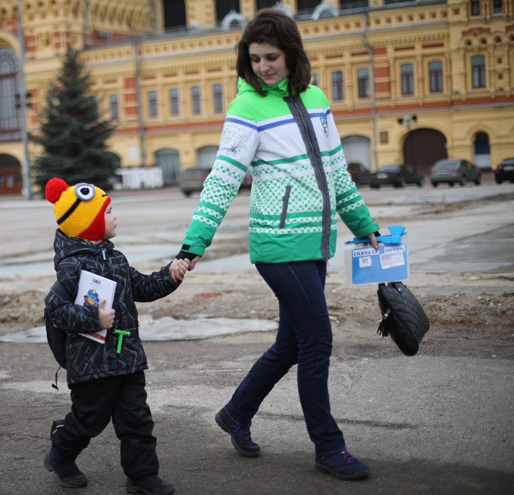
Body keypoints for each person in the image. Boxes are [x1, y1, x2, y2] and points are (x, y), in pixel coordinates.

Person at [177, 9, 379, 481]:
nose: (264, 67)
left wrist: (363, 224)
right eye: (255, 59)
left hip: (316, 242)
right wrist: (194, 244)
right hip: (278, 243)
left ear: (292, 54)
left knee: (291, 343)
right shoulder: (247, 108)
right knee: (317, 340)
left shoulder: (316, 99)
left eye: (271, 57)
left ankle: (236, 412)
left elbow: (336, 172)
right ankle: (329, 447)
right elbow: (223, 180)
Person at [43, 178, 189, 495]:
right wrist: (91, 317)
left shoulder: (116, 259)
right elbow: (55, 309)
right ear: (89, 223)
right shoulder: (72, 267)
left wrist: (171, 274)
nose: (115, 217)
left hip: (128, 358)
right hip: (92, 364)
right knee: (87, 422)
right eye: (108, 212)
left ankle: (142, 476)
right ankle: (61, 453)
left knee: (137, 420)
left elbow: (144, 287)